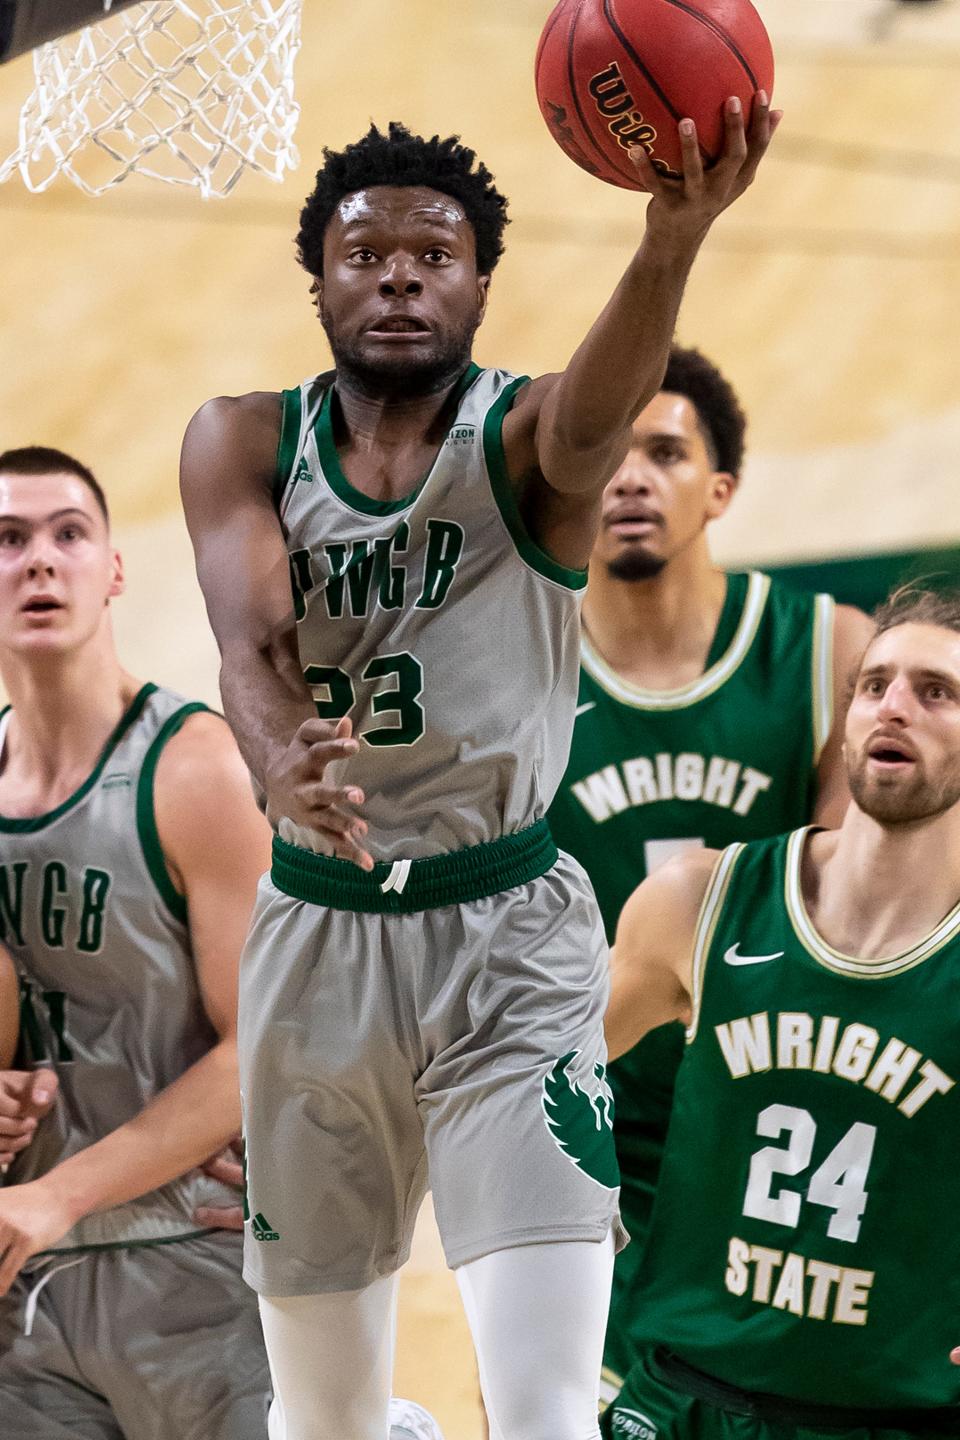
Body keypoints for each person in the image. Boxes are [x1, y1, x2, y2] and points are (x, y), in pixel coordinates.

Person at [180, 106, 777, 1440]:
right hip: (318, 942)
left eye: (433, 255)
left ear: (479, 283)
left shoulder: (525, 444)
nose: (399, 275)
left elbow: (593, 419)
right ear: (319, 281)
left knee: (548, 1409)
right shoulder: (243, 440)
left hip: (511, 949)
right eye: (366, 254)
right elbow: (247, 638)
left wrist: (671, 240)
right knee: (321, 1417)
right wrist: (282, 764)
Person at [545, 346, 873, 1400]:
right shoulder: (517, 674)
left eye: (667, 452)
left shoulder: (828, 654)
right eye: (607, 452)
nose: (632, 477)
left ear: (720, 487)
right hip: (588, 1124)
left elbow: (864, 906)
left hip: (781, 1122)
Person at [602, 586, 960, 1439]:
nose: (893, 707)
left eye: (936, 691)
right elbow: (523, 1081)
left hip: (885, 1417)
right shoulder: (701, 900)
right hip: (679, 1397)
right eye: (873, 685)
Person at [0, 445, 276, 1439]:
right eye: (9, 539)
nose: (40, 561)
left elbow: (259, 1051)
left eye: (68, 535)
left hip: (195, 1268)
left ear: (113, 568)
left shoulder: (193, 769)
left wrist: (57, 1195)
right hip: (26, 1287)